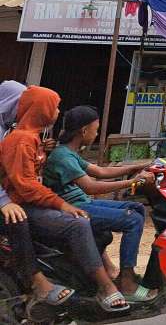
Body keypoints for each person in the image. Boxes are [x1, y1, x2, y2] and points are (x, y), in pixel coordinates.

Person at [0, 85, 130, 313]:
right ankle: (106, 287)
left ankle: (86, 279)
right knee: (79, 224)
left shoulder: (29, 138)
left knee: (95, 225)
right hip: (21, 204)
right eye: (55, 106)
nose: (59, 111)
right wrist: (62, 204)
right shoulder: (20, 139)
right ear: (42, 109)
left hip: (29, 201)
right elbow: (26, 185)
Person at [44, 105, 155, 302]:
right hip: (76, 208)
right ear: (84, 131)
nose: (96, 133)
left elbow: (100, 171)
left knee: (137, 208)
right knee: (132, 220)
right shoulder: (62, 156)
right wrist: (133, 182)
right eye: (95, 129)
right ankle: (127, 282)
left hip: (82, 202)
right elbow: (91, 187)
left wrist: (140, 166)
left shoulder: (69, 153)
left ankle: (121, 273)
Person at [0, 81, 77, 311]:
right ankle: (37, 282)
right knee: (18, 219)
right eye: (22, 102)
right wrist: (3, 201)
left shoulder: (10, 129)